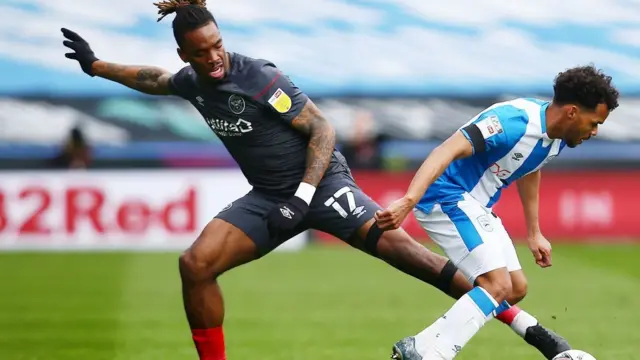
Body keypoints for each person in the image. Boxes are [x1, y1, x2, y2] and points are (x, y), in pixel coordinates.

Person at [61, 1, 571, 359]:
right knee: (194, 265)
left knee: (421, 264)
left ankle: (534, 333)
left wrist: (305, 194)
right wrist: (96, 65)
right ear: (185, 56)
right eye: (202, 52)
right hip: (270, 199)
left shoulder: (256, 75)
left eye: (217, 45)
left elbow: (322, 129)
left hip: (326, 188)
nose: (214, 57)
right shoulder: (192, 81)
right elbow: (151, 79)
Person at [376, 65, 620, 360]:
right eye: (594, 123)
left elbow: (531, 168)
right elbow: (445, 150)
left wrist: (534, 232)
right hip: (446, 197)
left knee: (515, 288)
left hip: (475, 205)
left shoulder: (556, 135)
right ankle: (434, 354)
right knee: (497, 284)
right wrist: (409, 200)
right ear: (571, 112)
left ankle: (418, 346)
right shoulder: (511, 122)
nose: (594, 132)